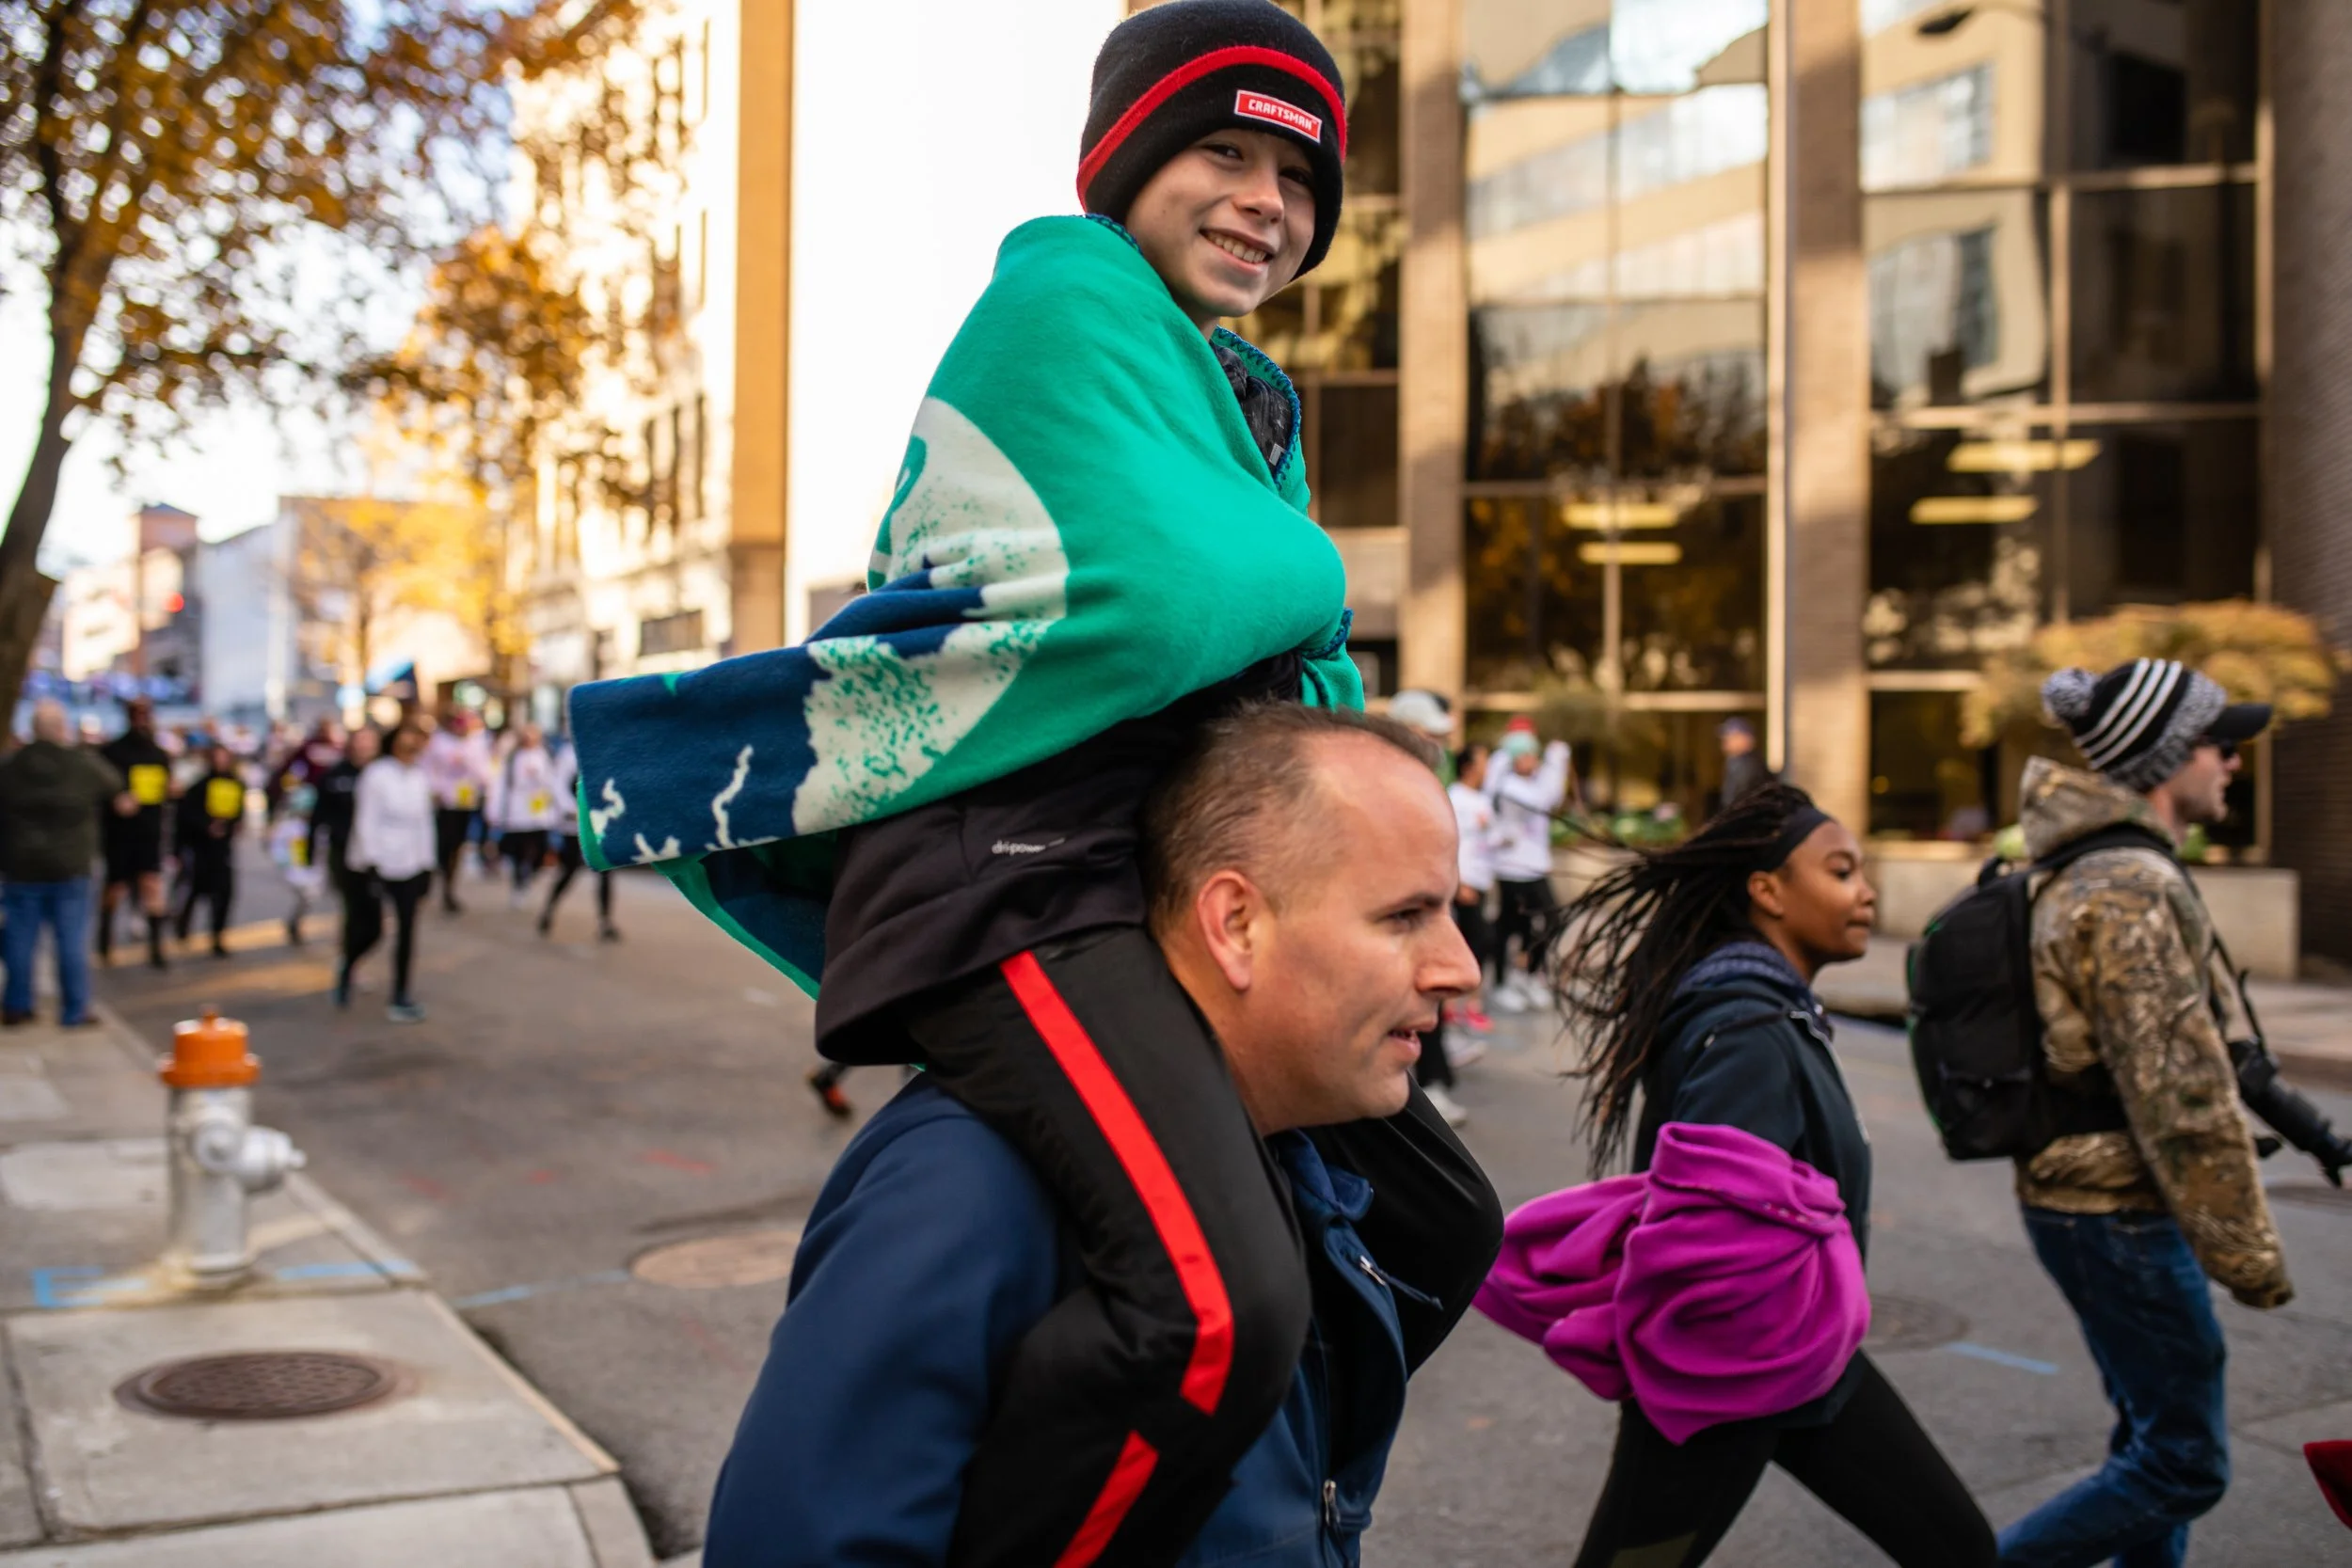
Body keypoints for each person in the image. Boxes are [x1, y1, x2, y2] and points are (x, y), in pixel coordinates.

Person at [568, 7, 1501, 1561]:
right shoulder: (1062, 296)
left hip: (1116, 866)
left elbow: (1284, 654)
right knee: (1218, 1304)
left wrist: (1295, 628)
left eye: (1298, 175)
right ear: (1127, 163)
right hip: (1008, 883)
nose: (1266, 201)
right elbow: (1164, 592)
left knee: (1447, 1219)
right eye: (1225, 150)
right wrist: (1308, 593)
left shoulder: (1230, 390)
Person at [706, 705, 1483, 1566]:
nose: (1461, 967)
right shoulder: (970, 1181)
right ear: (1235, 924)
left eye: (1447, 910)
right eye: (1405, 915)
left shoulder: (1290, 1160)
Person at [1520, 783, 1994, 1568]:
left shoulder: (1768, 1011)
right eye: (1842, 871)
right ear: (1768, 891)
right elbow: (1704, 1235)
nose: (1866, 890)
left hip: (1801, 1365)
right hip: (1722, 1385)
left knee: (1957, 1544)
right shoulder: (1747, 1028)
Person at [1997, 660, 2295, 1568]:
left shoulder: (2094, 867)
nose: (2234, 763)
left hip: (2086, 1198)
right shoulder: (2127, 885)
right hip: (2117, 1210)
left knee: (2149, 1439)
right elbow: (2182, 1099)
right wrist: (2249, 1254)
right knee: (2183, 1463)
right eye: (2221, 745)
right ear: (2168, 760)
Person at [0, 702, 125, 1027]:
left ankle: (17, 1005)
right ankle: (74, 1009)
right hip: (70, 866)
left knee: (20, 938)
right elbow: (116, 789)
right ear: (61, 729)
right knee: (70, 940)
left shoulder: (12, 766)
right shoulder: (81, 764)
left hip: (21, 865)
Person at [343, 721, 436, 1022]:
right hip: (378, 862)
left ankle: (400, 994)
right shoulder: (377, 774)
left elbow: (424, 824)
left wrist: (426, 865)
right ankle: (348, 965)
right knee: (372, 929)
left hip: (410, 862)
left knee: (408, 929)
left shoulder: (420, 776)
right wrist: (371, 862)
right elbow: (366, 820)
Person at [1485, 717, 1572, 1013]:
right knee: (1510, 926)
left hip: (1535, 865)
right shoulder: (1508, 785)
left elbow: (1554, 797)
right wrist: (1555, 763)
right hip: (1511, 868)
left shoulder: (1531, 781)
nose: (1531, 760)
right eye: (1525, 755)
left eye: (1533, 754)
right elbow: (1543, 800)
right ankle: (1502, 983)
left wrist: (1555, 762)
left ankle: (1526, 974)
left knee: (1543, 923)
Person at [95, 699, 173, 970]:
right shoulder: (112, 752)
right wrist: (115, 801)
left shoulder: (158, 754)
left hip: (148, 831)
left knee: (151, 884)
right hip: (120, 833)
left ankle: (156, 949)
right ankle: (105, 940)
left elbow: (165, 790)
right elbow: (100, 793)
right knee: (115, 888)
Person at [310, 727, 380, 989]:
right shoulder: (334, 775)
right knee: (353, 909)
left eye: (370, 741)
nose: (365, 746)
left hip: (375, 854)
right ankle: (350, 963)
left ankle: (352, 958)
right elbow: (318, 816)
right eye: (361, 740)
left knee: (372, 916)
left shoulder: (381, 774)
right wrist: (309, 851)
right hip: (343, 853)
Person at [537, 734, 616, 942]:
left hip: (599, 825)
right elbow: (558, 786)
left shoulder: (604, 750)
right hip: (575, 826)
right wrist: (575, 811)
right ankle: (548, 910)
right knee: (569, 870)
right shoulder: (569, 753)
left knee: (606, 873)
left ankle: (605, 921)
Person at [172, 740, 246, 957]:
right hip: (202, 848)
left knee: (224, 893)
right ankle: (183, 924)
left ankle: (217, 935)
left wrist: (229, 826)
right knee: (197, 889)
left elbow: (238, 812)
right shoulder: (200, 786)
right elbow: (186, 816)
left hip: (223, 849)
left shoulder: (236, 783)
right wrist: (206, 826)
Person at [420, 709, 491, 913]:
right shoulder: (438, 743)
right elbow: (428, 769)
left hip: (464, 802)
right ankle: (430, 881)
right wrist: (435, 790)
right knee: (440, 845)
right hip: (443, 803)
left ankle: (448, 888)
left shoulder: (475, 744)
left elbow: (483, 772)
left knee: (456, 847)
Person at [490, 721, 559, 910]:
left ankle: (531, 874)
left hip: (538, 812)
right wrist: (495, 811)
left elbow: (553, 782)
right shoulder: (512, 758)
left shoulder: (544, 756)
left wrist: (538, 777)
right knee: (519, 853)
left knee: (540, 849)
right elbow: (502, 785)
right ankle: (518, 883)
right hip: (518, 812)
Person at [1717, 716, 1769, 810]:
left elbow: (1741, 798)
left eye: (1731, 738)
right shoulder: (1734, 762)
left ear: (1745, 739)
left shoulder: (1748, 765)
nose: (1726, 742)